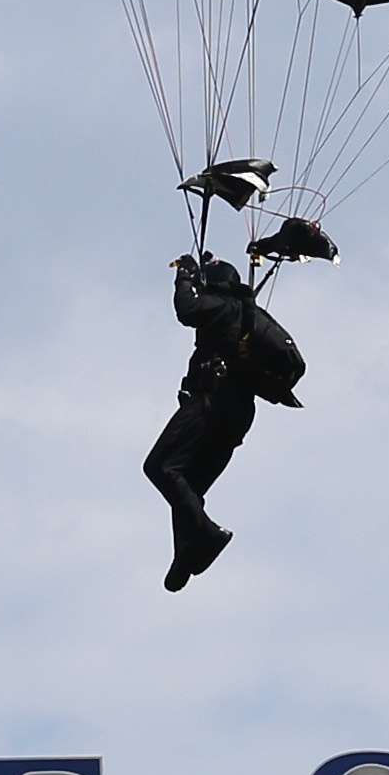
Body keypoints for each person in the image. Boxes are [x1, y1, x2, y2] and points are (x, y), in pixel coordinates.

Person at [148, 252, 298, 589]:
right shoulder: (241, 314)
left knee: (160, 467)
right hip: (238, 414)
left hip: (214, 400)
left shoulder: (222, 305)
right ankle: (188, 550)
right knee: (187, 487)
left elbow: (186, 310)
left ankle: (207, 535)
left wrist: (185, 276)